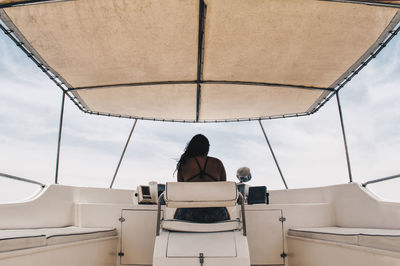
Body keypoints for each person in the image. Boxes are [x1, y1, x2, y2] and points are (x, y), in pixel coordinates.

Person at [174, 134, 229, 223]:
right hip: (216, 214)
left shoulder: (184, 164)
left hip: (188, 215)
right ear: (207, 148)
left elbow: (182, 192)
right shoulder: (217, 163)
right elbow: (222, 190)